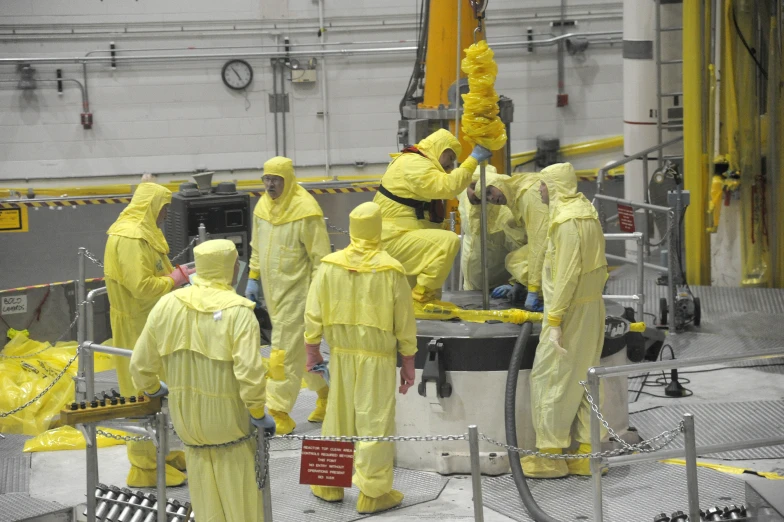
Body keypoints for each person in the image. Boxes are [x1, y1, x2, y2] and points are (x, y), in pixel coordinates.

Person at [129, 239, 276, 522]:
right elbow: (249, 373)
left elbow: (140, 364)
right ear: (231, 267)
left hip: (189, 430)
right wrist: (258, 412)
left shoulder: (167, 304)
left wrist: (152, 388)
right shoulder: (239, 312)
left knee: (207, 510)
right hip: (230, 432)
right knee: (242, 508)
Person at [303, 202, 417, 514]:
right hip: (377, 359)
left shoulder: (329, 265)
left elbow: (313, 310)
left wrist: (312, 348)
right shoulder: (391, 269)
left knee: (336, 418)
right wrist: (408, 360)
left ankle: (327, 484)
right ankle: (373, 492)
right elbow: (404, 320)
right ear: (378, 228)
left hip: (339, 354)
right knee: (375, 421)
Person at [104, 181, 194, 487]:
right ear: (151, 205)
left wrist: (174, 276)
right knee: (140, 394)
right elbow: (141, 288)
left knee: (158, 393)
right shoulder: (130, 238)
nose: (166, 213)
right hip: (135, 326)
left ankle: (161, 453)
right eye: (164, 206)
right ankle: (142, 467)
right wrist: (176, 280)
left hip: (150, 323)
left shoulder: (142, 233)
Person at [520, 163, 608, 478]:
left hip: (569, 311)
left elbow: (567, 274)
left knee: (549, 379)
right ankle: (586, 455)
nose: (540, 191)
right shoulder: (587, 212)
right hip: (591, 307)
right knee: (584, 381)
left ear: (554, 186)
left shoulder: (567, 221)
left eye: (543, 185)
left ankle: (550, 457)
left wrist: (554, 319)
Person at [245, 156, 330, 435]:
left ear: (288, 179)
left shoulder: (306, 211)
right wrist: (253, 278)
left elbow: (321, 258)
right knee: (299, 353)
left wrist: (317, 296)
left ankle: (278, 411)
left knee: (281, 354)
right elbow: (257, 248)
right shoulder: (262, 207)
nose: (270, 185)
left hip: (299, 295)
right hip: (273, 295)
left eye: (275, 179)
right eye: (266, 179)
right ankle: (327, 396)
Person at [373, 129, 492, 304]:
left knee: (408, 294)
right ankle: (423, 298)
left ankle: (420, 307)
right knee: (447, 242)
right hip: (393, 237)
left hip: (399, 233)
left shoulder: (419, 163)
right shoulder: (413, 163)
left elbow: (419, 206)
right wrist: (473, 159)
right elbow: (447, 186)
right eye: (450, 159)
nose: (450, 167)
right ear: (440, 150)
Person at [484, 171, 550, 311]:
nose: (491, 198)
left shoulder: (529, 194)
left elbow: (539, 242)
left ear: (498, 183)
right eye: (487, 198)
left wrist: (532, 289)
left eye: (490, 191)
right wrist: (518, 283)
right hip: (551, 248)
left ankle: (550, 294)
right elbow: (527, 245)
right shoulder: (516, 201)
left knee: (514, 260)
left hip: (557, 249)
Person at [457, 165, 526, 291]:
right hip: (470, 285)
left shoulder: (505, 213)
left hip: (497, 287)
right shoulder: (465, 197)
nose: (475, 193)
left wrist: (516, 282)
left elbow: (520, 251)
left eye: (484, 190)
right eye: (472, 186)